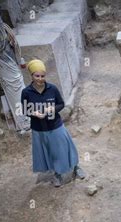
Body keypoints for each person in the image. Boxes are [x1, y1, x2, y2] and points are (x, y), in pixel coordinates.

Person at [21, 59, 85, 187]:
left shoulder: (52, 89)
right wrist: (34, 113)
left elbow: (61, 104)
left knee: (66, 147)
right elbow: (24, 109)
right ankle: (57, 174)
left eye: (42, 76)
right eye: (37, 76)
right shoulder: (26, 92)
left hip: (55, 125)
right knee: (50, 152)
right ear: (31, 75)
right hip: (39, 128)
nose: (40, 79)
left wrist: (52, 109)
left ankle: (76, 167)